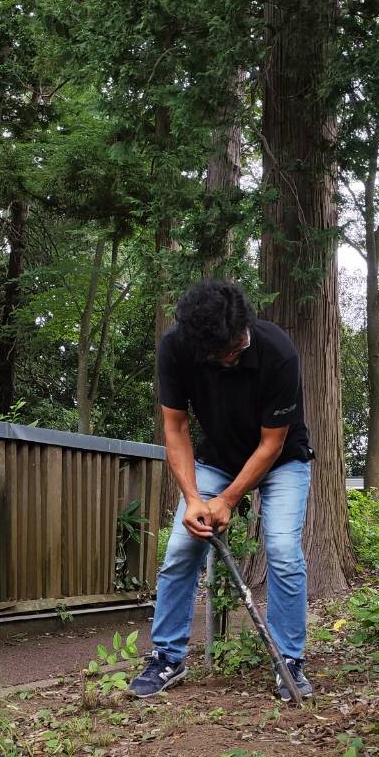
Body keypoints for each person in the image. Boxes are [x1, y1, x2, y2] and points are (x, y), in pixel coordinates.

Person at [129, 280, 315, 700]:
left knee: (284, 553)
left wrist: (230, 499)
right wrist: (195, 499)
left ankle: (289, 660)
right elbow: (175, 428)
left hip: (283, 459)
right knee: (180, 548)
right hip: (216, 459)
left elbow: (273, 443)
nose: (234, 355)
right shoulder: (176, 349)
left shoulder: (277, 351)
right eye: (224, 353)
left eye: (237, 346)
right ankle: (168, 657)